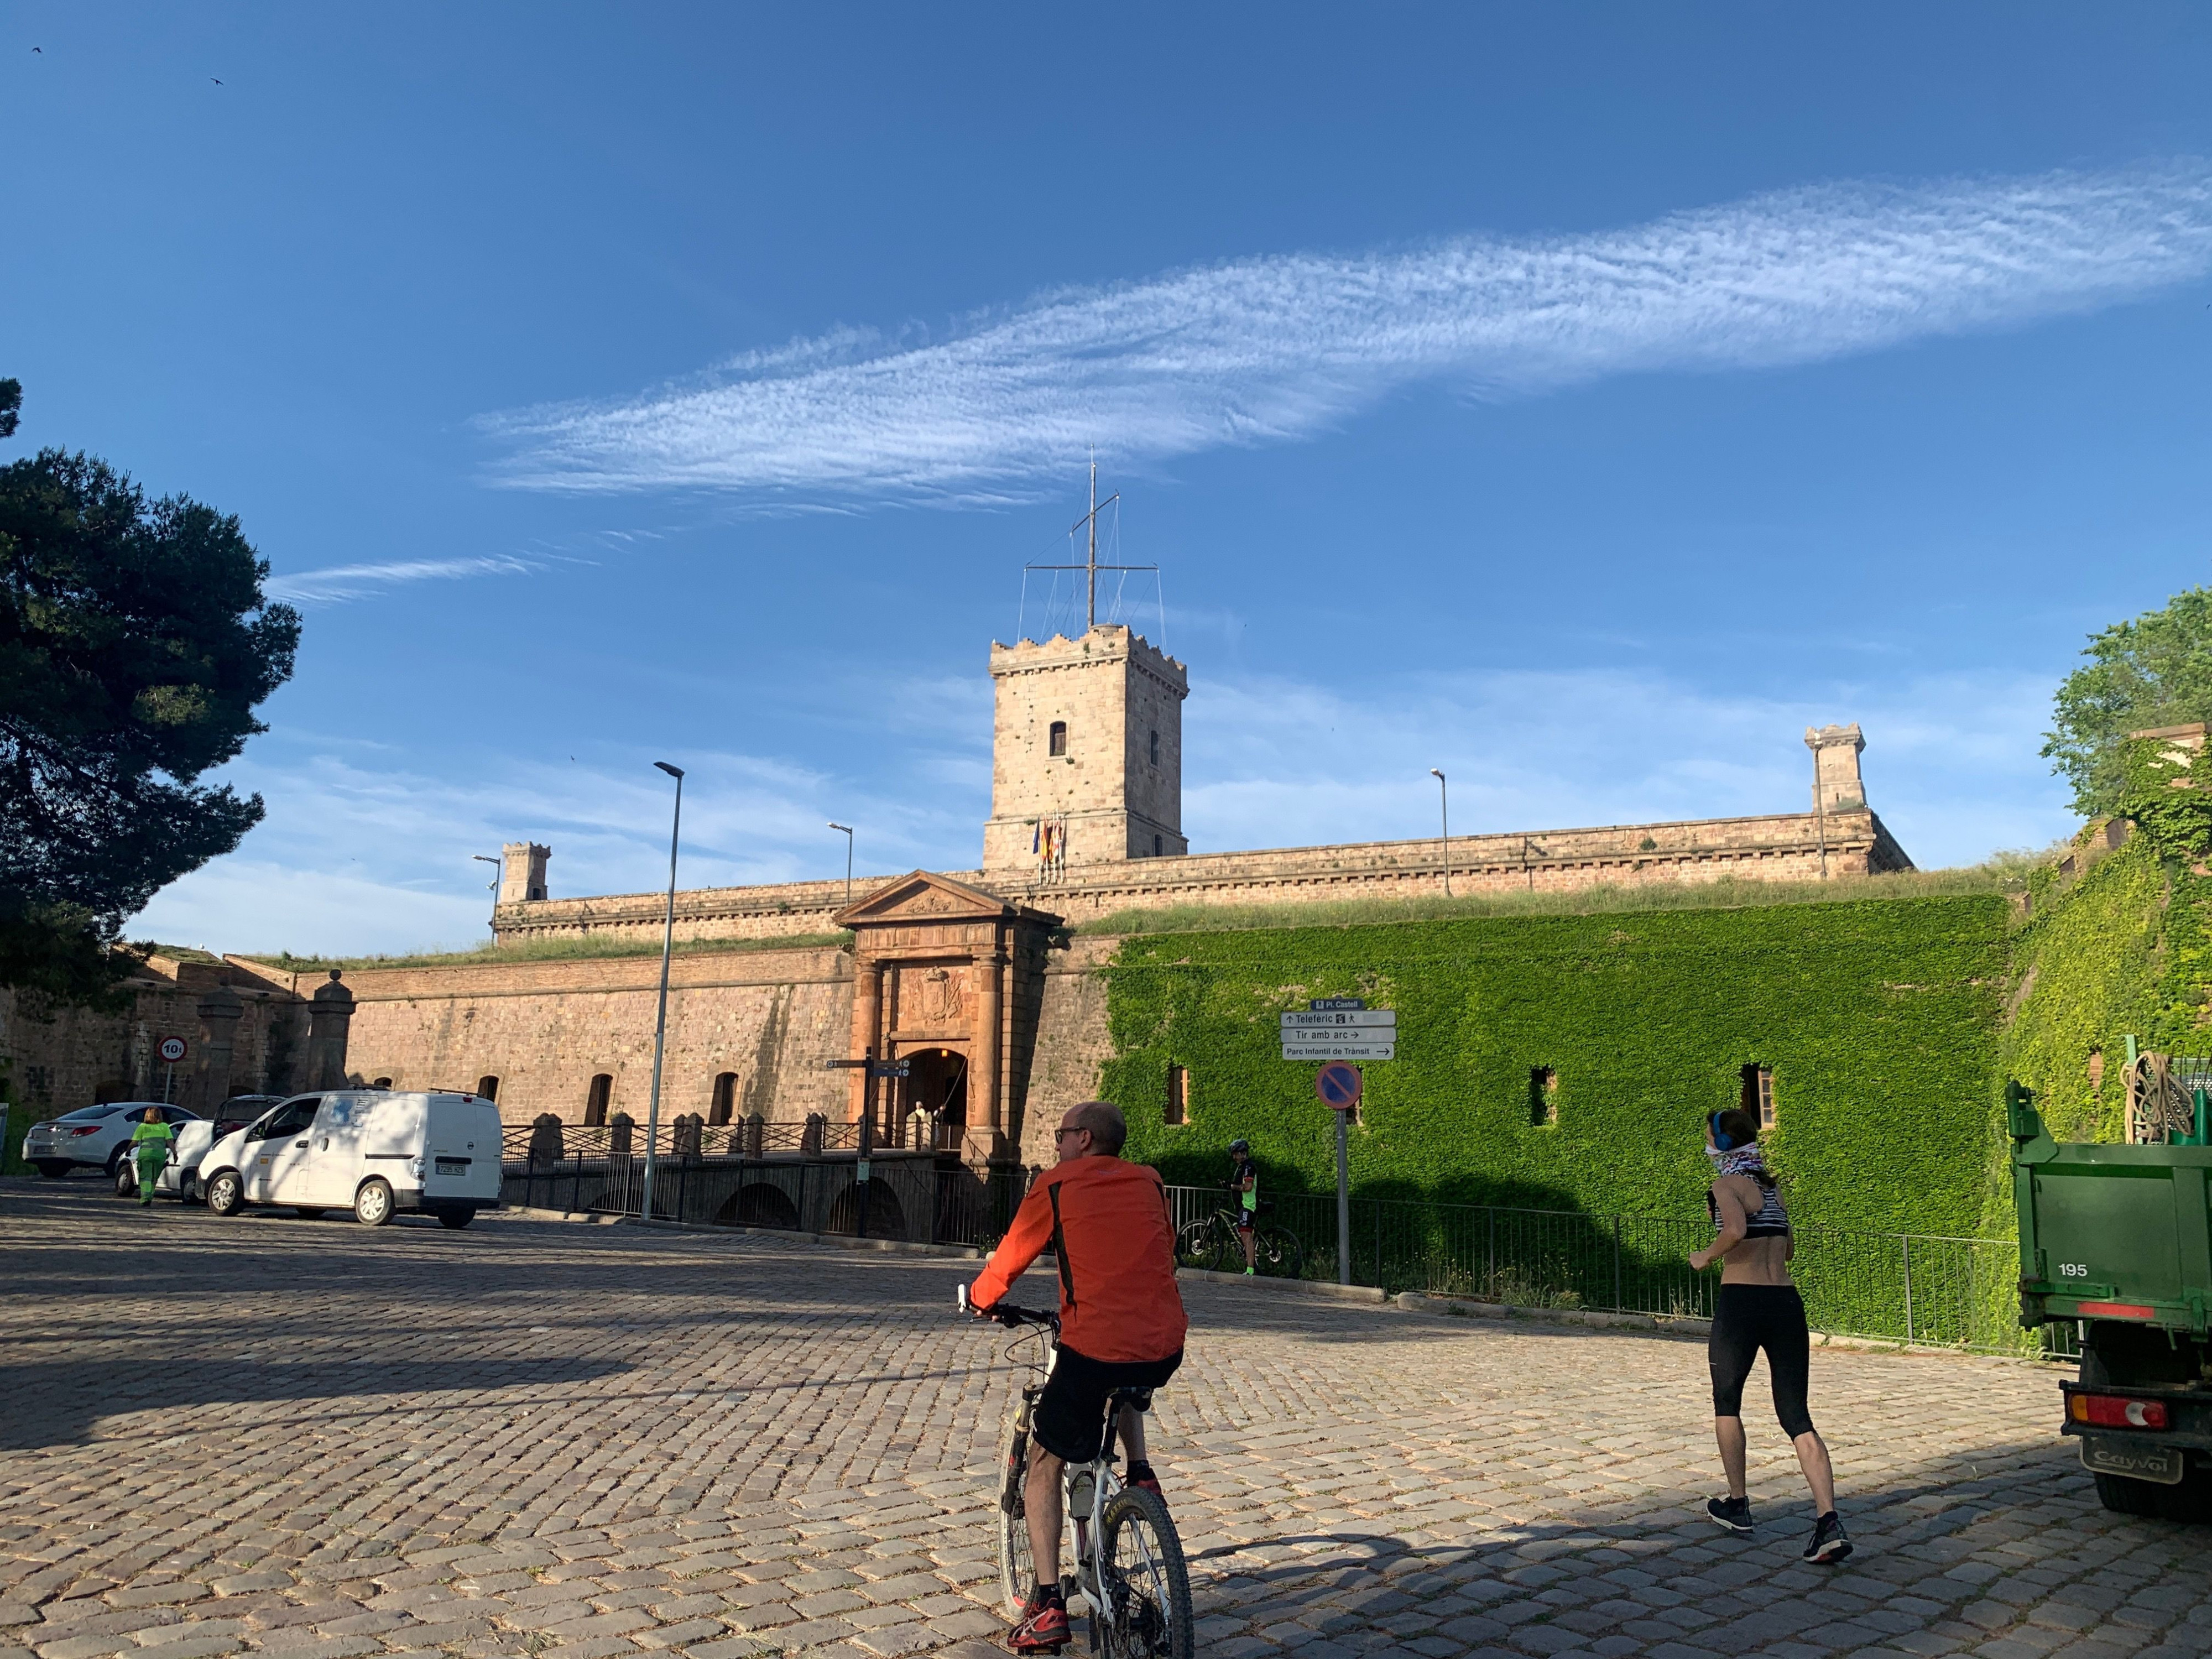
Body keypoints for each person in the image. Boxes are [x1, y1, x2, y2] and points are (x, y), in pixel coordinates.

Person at [967, 1101, 1188, 1655]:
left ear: (1084, 1139)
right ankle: (1140, 1473)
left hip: (1094, 1348)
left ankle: (1046, 1603)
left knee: (1045, 1461)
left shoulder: (1057, 1184)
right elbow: (1167, 1248)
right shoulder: (1152, 1182)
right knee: (1129, 1371)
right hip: (1164, 1344)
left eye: (1062, 1134)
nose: (1057, 1142)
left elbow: (1013, 1254)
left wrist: (981, 1299)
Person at [1688, 1107, 1850, 1564]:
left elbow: (1736, 1230)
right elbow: (1790, 1247)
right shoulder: (1772, 1188)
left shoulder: (1726, 1186)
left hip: (1742, 1303)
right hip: (1785, 1303)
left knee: (1727, 1400)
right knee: (1796, 1415)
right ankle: (1828, 1520)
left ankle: (1738, 1503)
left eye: (1707, 1136)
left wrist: (1705, 1254)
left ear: (1722, 1144)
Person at [129, 1108, 174, 1207]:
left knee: (146, 1178)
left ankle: (145, 1198)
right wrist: (175, 1153)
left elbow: (134, 1142)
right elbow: (170, 1141)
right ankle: (150, 1197)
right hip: (159, 1156)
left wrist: (129, 1150)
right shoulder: (164, 1127)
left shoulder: (142, 1127)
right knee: (154, 1178)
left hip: (145, 1155)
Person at [1227, 1138, 1259, 1274]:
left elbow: (1248, 1187)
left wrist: (1232, 1186)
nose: (1234, 1157)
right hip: (1242, 1207)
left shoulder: (1248, 1167)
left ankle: (1250, 1270)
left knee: (1247, 1237)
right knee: (1244, 1235)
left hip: (1248, 1206)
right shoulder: (1242, 1167)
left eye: (1236, 1153)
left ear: (1243, 1153)